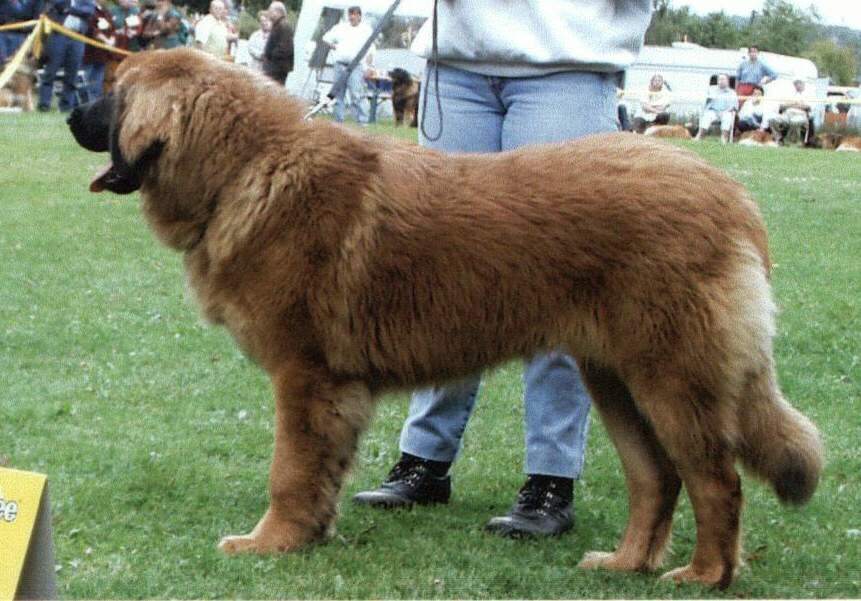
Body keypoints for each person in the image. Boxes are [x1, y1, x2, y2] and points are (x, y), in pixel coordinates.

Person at [352, 0, 653, 538]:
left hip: (567, 63)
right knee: (442, 278)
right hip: (457, 66)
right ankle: (423, 460)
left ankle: (550, 478)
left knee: (562, 279)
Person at [37, 0, 96, 112]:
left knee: (72, 73)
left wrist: (69, 10)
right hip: (58, 35)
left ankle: (66, 105)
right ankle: (44, 104)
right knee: (51, 71)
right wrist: (73, 10)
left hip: (77, 36)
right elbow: (57, 4)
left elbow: (89, 11)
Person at [321, 5, 374, 124]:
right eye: (350, 14)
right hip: (340, 64)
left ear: (359, 16)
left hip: (356, 66)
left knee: (357, 94)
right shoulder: (341, 28)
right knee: (338, 95)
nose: (352, 17)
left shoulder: (366, 30)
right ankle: (338, 121)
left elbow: (371, 49)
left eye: (355, 14)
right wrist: (335, 47)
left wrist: (368, 67)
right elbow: (326, 38)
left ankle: (362, 121)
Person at [82, 0, 117, 100]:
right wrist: (105, 40)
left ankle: (95, 100)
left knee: (98, 79)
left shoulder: (107, 12)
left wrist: (112, 39)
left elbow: (112, 27)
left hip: (102, 54)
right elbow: (91, 29)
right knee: (86, 78)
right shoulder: (90, 10)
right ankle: (85, 100)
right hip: (89, 52)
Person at [694, 73, 738, 143]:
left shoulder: (732, 93)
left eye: (723, 79)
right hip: (713, 111)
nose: (721, 81)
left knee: (727, 117)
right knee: (707, 116)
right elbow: (704, 102)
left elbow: (735, 106)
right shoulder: (711, 90)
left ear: (727, 81)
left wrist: (726, 111)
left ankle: (724, 139)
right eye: (719, 79)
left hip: (726, 111)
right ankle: (699, 136)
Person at [773, 78, 814, 144]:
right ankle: (779, 139)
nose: (797, 85)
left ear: (803, 84)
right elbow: (781, 106)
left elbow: (808, 107)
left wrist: (792, 104)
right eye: (795, 83)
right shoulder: (788, 94)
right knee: (772, 120)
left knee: (795, 121)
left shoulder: (808, 95)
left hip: (800, 115)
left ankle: (792, 141)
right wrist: (795, 104)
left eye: (799, 83)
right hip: (786, 114)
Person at [261, 1, 292, 85]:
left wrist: (269, 55)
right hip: (274, 68)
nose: (269, 14)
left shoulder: (283, 26)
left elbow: (284, 49)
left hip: (276, 70)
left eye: (270, 11)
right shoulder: (279, 25)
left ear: (277, 12)